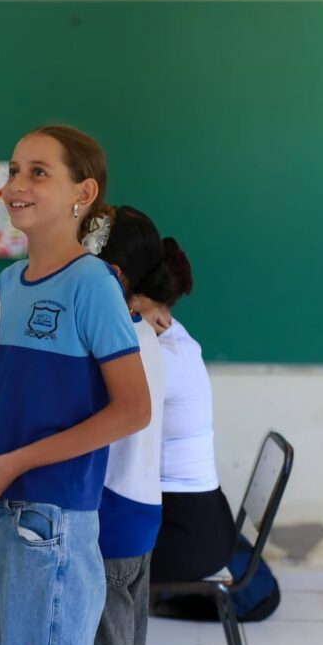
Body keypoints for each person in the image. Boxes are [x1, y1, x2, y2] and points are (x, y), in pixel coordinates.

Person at [0, 125, 151, 645]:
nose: (16, 184)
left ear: (83, 192)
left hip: (50, 522)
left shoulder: (92, 284)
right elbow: (5, 400)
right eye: (14, 170)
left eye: (38, 172)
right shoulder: (8, 283)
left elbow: (133, 409)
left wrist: (16, 462)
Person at [86, 206, 169, 645]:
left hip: (111, 520)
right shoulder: (141, 330)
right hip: (140, 513)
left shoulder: (114, 337)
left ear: (111, 273)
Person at [132, 238, 237, 584]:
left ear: (159, 313)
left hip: (188, 534)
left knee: (86, 546)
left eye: (133, 311)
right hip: (198, 518)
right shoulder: (171, 340)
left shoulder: (166, 357)